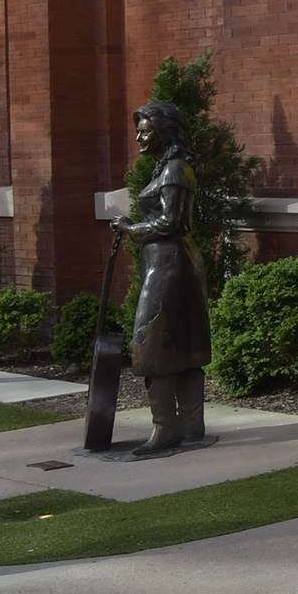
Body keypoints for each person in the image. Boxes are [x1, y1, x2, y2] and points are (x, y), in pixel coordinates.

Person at [119, 99, 213, 459]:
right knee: (178, 342)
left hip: (171, 266)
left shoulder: (175, 170)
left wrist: (131, 229)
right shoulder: (169, 169)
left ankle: (166, 428)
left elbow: (171, 221)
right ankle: (190, 426)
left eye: (145, 131)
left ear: (164, 132)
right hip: (168, 263)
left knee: (152, 344)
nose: (139, 138)